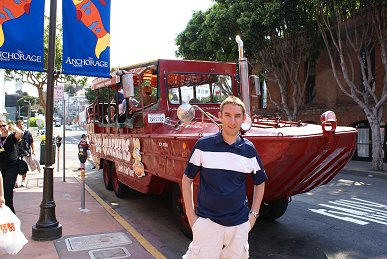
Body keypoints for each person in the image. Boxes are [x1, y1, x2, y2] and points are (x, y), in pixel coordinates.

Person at [182, 96, 267, 259]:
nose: (232, 121)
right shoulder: (203, 146)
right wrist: (191, 216)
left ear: (243, 118)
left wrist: (253, 216)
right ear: (220, 116)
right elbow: (187, 180)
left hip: (239, 226)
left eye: (237, 116)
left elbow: (260, 182)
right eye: (227, 115)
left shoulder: (249, 150)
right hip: (207, 224)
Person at [0, 119, 24, 213]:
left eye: (4, 125)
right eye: (0, 126)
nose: (2, 127)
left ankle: (10, 212)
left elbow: (21, 133)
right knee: (1, 191)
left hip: (12, 166)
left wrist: (12, 127)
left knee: (8, 190)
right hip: (1, 167)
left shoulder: (11, 137)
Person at [16, 120, 34, 187]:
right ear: (17, 125)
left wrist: (33, 151)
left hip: (25, 152)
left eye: (22, 124)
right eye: (20, 124)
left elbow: (31, 141)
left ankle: (23, 180)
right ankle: (15, 181)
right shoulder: (15, 133)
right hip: (16, 153)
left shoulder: (27, 132)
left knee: (24, 167)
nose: (21, 125)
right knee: (15, 167)